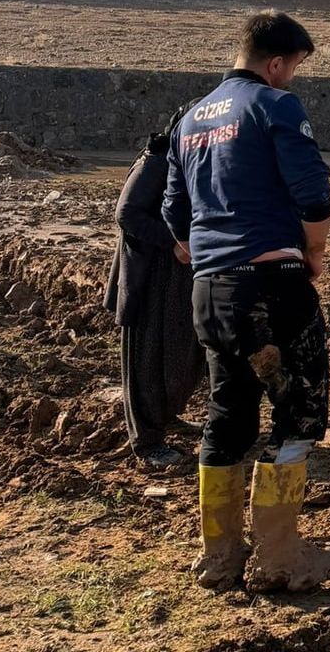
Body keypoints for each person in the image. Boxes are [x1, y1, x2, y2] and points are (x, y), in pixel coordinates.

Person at [162, 10, 330, 592]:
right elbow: (312, 192)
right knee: (297, 415)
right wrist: (314, 254)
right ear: (276, 62)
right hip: (272, 287)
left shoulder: (189, 119)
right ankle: (280, 557)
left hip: (211, 293)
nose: (292, 79)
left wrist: (197, 248)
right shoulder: (275, 106)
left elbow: (174, 213)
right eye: (293, 69)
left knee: (227, 414)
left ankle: (220, 555)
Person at [103, 105, 206, 468]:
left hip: (178, 277)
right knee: (147, 360)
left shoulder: (191, 161)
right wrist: (175, 242)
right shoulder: (158, 160)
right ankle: (146, 441)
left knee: (180, 354)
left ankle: (167, 416)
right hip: (150, 277)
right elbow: (127, 213)